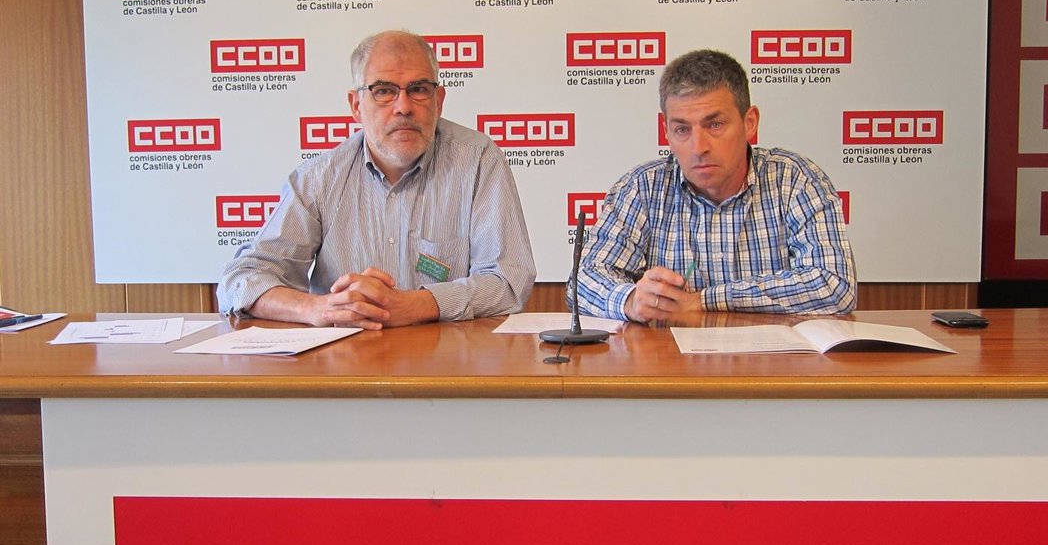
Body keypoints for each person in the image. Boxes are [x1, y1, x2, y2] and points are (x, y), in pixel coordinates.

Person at [217, 30, 535, 328]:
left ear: (438, 101)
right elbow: (241, 280)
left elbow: (509, 282)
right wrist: (317, 308)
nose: (403, 107)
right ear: (356, 106)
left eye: (418, 90)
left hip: (447, 359)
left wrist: (417, 305)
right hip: (345, 359)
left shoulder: (478, 160)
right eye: (383, 91)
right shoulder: (319, 178)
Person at [575, 49, 856, 323]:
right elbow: (584, 281)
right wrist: (631, 300)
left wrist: (703, 301)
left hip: (773, 354)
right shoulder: (642, 187)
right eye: (682, 129)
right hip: (670, 354)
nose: (699, 147)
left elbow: (834, 285)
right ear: (666, 131)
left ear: (750, 123)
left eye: (715, 125)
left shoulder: (795, 180)